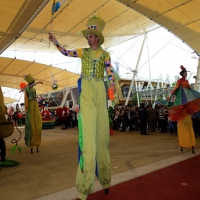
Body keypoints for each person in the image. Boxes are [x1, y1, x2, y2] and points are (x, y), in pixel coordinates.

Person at [49, 16, 115, 200]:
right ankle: (85, 185)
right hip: (86, 92)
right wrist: (56, 42)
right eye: (88, 36)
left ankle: (105, 179)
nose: (89, 39)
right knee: (88, 139)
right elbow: (65, 52)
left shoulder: (105, 55)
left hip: (99, 93)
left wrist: (112, 85)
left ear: (98, 38)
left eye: (92, 36)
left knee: (102, 138)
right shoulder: (83, 52)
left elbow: (109, 72)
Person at [162, 65, 200, 152]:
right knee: (183, 127)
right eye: (185, 73)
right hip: (181, 98)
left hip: (186, 99)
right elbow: (176, 88)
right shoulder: (180, 81)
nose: (186, 74)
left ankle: (190, 143)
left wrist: (195, 93)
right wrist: (171, 96)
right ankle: (184, 143)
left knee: (189, 126)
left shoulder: (186, 81)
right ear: (183, 73)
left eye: (186, 73)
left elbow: (190, 89)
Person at [24, 74, 43, 154]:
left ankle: (37, 143)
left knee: (38, 123)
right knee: (32, 124)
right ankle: (32, 143)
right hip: (31, 105)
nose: (33, 83)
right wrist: (38, 82)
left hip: (35, 104)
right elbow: (31, 86)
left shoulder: (32, 89)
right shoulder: (28, 88)